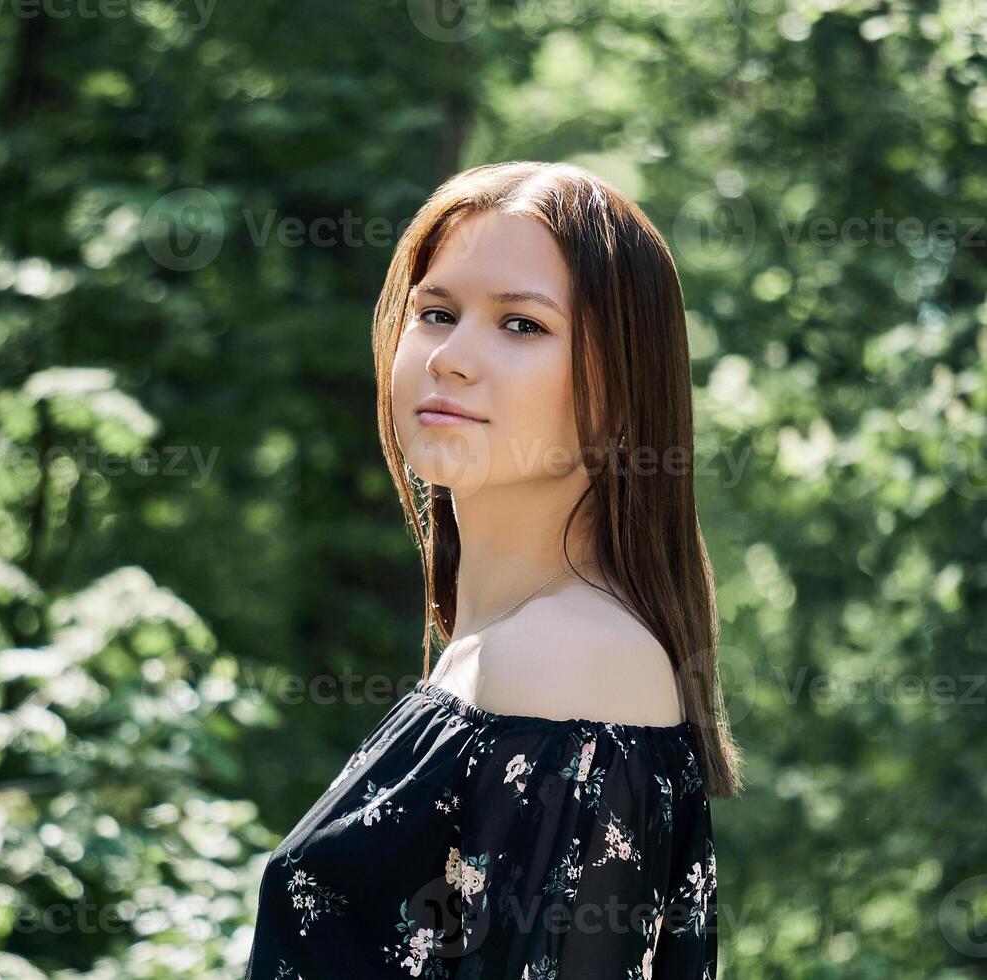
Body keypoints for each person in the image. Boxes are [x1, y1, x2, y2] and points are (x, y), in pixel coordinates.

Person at [242, 161, 745, 978]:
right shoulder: (497, 650)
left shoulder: (569, 662)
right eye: (436, 313)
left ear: (621, 393)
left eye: (522, 326)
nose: (451, 357)